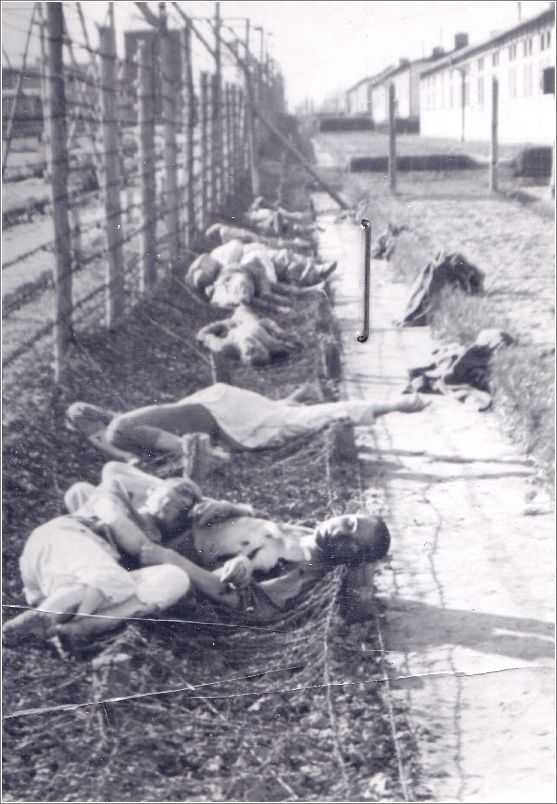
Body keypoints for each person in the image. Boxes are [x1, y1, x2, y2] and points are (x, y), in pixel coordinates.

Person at [2, 470, 204, 644]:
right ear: (152, 490)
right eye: (180, 490)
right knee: (111, 577)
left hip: (78, 585)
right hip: (65, 538)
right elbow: (116, 521)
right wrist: (151, 551)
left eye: (189, 505)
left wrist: (231, 508)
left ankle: (76, 629)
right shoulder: (115, 492)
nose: (184, 501)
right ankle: (45, 616)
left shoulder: (158, 547)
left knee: (175, 577)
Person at [65, 382, 428, 461]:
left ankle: (390, 405)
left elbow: (171, 443)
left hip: (223, 417)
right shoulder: (123, 419)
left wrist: (217, 458)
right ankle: (387, 403)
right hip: (215, 398)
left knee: (297, 421)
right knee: (286, 413)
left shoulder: (118, 430)